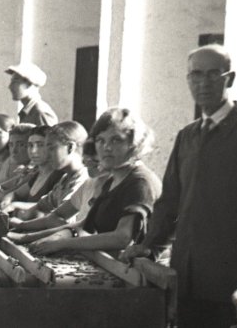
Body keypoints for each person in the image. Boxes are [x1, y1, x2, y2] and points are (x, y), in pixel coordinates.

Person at [122, 45, 237, 328]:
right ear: (188, 79)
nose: (203, 83)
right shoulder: (187, 137)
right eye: (196, 75)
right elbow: (170, 203)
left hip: (236, 283)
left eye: (213, 74)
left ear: (230, 78)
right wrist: (148, 245)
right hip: (187, 277)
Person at [16, 109, 159, 256]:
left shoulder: (140, 181)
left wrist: (61, 244)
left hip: (132, 270)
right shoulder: (112, 180)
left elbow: (122, 238)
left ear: (134, 143)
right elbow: (84, 225)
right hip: (108, 262)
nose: (106, 148)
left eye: (116, 140)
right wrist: (25, 237)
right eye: (101, 140)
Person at [12, 121, 89, 220]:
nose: (47, 154)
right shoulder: (65, 179)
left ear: (70, 147)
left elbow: (58, 220)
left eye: (52, 148)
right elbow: (41, 206)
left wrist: (23, 227)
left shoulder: (82, 180)